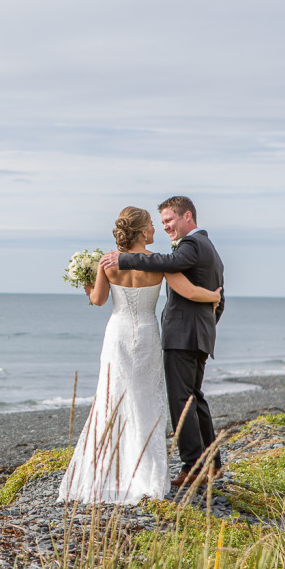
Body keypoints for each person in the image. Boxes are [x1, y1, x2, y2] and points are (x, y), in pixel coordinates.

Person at [58, 206, 221, 504]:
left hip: (117, 334)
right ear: (144, 231)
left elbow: (98, 299)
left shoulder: (107, 262)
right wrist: (214, 296)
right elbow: (189, 292)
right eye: (152, 225)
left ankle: (108, 471)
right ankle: (146, 473)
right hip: (146, 334)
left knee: (112, 397)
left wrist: (86, 281)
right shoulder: (159, 264)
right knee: (145, 399)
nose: (156, 229)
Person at [99, 196, 225, 488]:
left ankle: (193, 467)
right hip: (197, 335)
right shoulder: (208, 247)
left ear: (187, 216)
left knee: (182, 401)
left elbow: (172, 265)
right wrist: (209, 321)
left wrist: (124, 258)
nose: (166, 226)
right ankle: (213, 464)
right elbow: (216, 293)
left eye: (169, 220)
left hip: (183, 335)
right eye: (162, 222)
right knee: (195, 398)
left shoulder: (191, 245)